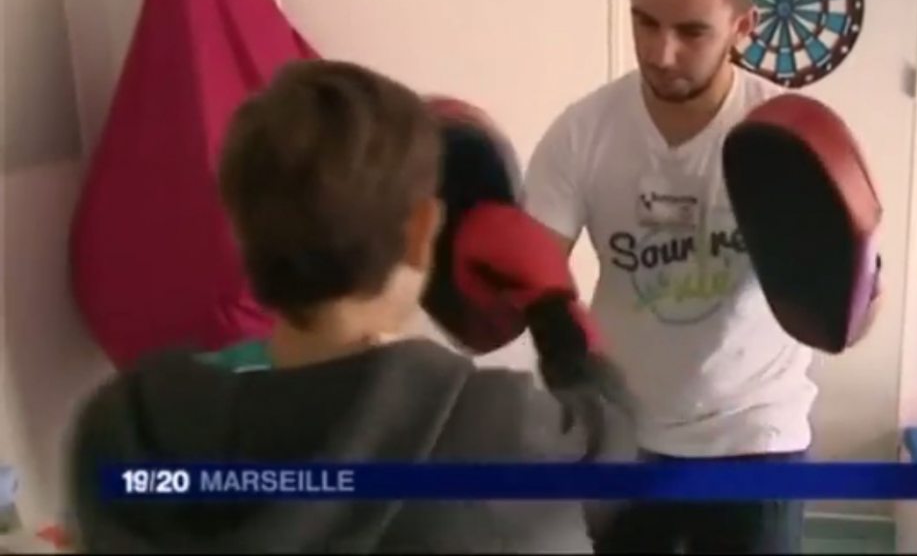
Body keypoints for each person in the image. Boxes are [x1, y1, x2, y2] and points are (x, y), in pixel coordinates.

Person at [66, 59, 636, 553]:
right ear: (421, 231)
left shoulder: (127, 435)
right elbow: (611, 453)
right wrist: (554, 308)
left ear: (243, 231)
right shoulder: (494, 434)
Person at [523, 0, 815, 553]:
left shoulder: (787, 138)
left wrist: (856, 285)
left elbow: (849, 309)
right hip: (625, 437)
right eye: (644, 21)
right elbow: (530, 274)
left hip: (754, 436)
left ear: (743, 26)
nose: (661, 51)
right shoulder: (584, 132)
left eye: (691, 31)